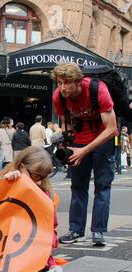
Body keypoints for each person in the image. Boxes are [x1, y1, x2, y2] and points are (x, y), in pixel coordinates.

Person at [51, 62, 117, 247]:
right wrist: (67, 143)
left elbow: (112, 129)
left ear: (78, 81)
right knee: (78, 186)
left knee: (102, 186)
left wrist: (85, 150)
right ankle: (76, 230)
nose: (62, 88)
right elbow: (66, 122)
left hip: (103, 138)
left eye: (66, 83)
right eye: (59, 83)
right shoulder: (59, 96)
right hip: (79, 140)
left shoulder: (98, 90)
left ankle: (98, 231)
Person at [0, 146, 60, 270]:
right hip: (0, 264)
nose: (40, 182)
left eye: (44, 177)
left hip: (35, 263)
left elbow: (52, 232)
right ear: (22, 168)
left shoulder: (48, 196)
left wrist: (48, 258)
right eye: (36, 176)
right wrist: (5, 187)